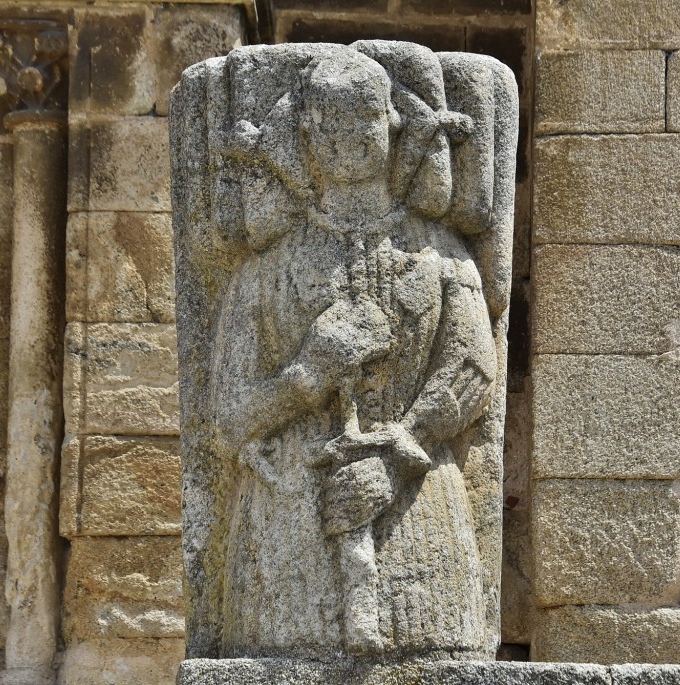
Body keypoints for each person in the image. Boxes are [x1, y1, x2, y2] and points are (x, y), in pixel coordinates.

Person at [212, 46, 497, 660]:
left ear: (392, 124)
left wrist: (395, 459)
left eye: (362, 119)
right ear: (306, 133)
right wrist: (310, 371)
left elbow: (473, 370)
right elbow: (228, 418)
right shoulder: (267, 270)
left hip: (416, 506)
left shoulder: (439, 251)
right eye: (329, 125)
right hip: (288, 517)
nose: (347, 140)